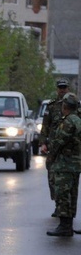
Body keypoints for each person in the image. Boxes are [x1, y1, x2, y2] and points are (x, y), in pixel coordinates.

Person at [46, 93, 81, 236]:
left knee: (63, 194)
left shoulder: (68, 122)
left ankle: (65, 226)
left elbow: (59, 142)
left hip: (65, 164)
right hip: (75, 164)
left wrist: (50, 158)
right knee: (72, 194)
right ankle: (68, 224)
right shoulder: (78, 120)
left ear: (65, 105)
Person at [39, 78, 70, 215]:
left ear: (68, 88)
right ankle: (57, 203)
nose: (62, 90)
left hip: (69, 148)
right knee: (52, 177)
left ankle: (64, 207)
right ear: (57, 89)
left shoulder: (74, 105)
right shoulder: (52, 106)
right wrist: (43, 143)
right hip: (53, 146)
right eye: (60, 87)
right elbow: (45, 126)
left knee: (66, 179)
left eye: (64, 87)